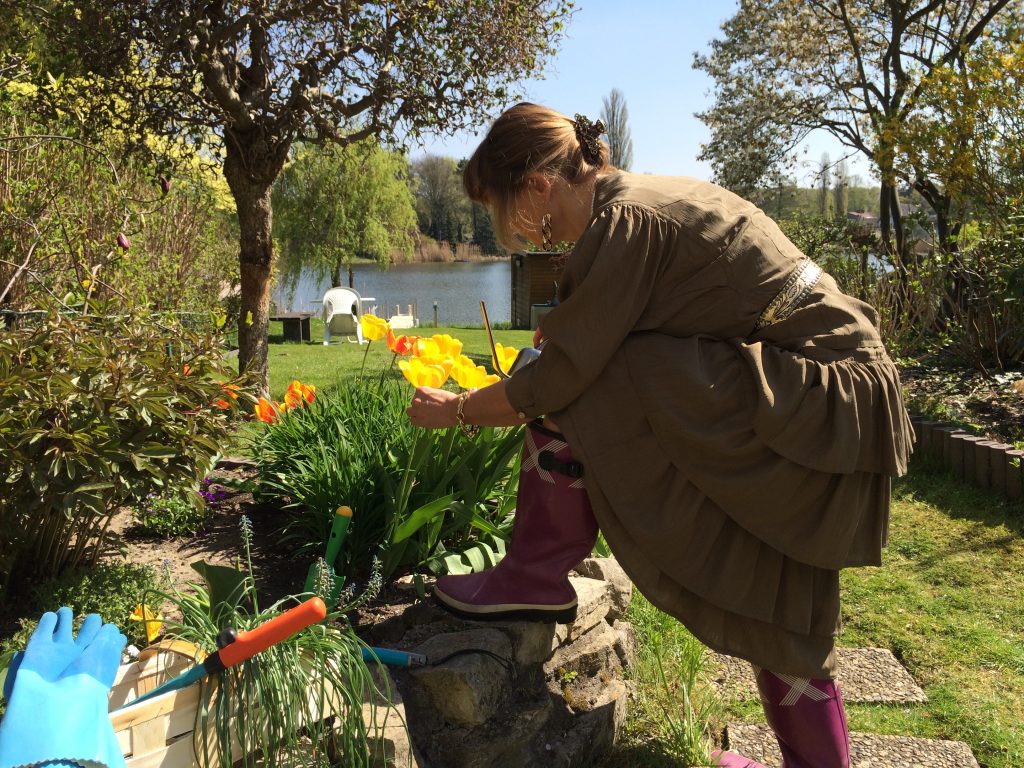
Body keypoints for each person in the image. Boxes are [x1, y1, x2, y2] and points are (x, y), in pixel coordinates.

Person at [405, 103, 914, 768]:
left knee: (590, 379)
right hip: (800, 382)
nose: (523, 230)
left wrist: (462, 409)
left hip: (820, 391)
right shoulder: (626, 209)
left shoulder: (626, 219)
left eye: (509, 207)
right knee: (774, 588)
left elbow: (564, 375)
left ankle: (535, 571)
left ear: (537, 186)